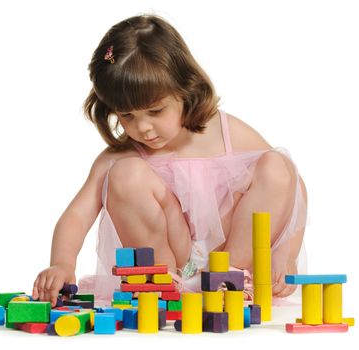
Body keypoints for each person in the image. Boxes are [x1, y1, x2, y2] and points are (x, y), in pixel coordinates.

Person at [32, 14, 307, 306]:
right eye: (127, 116)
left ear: (184, 89)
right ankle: (161, 283)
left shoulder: (224, 131)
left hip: (228, 256)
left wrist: (284, 253)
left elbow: (292, 188)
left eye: (155, 111)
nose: (143, 128)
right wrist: (62, 263)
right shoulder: (122, 155)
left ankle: (232, 277)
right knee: (125, 175)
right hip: (172, 265)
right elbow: (77, 215)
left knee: (278, 165)